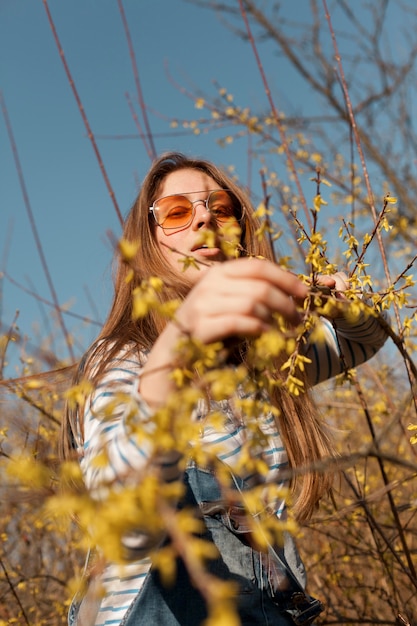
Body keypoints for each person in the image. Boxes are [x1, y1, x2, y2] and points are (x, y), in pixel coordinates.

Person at [61, 152, 387, 626]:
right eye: (177, 211)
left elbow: (366, 339)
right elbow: (124, 525)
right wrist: (176, 349)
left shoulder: (262, 363)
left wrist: (340, 303)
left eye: (220, 207)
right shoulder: (126, 357)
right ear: (148, 243)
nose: (204, 220)